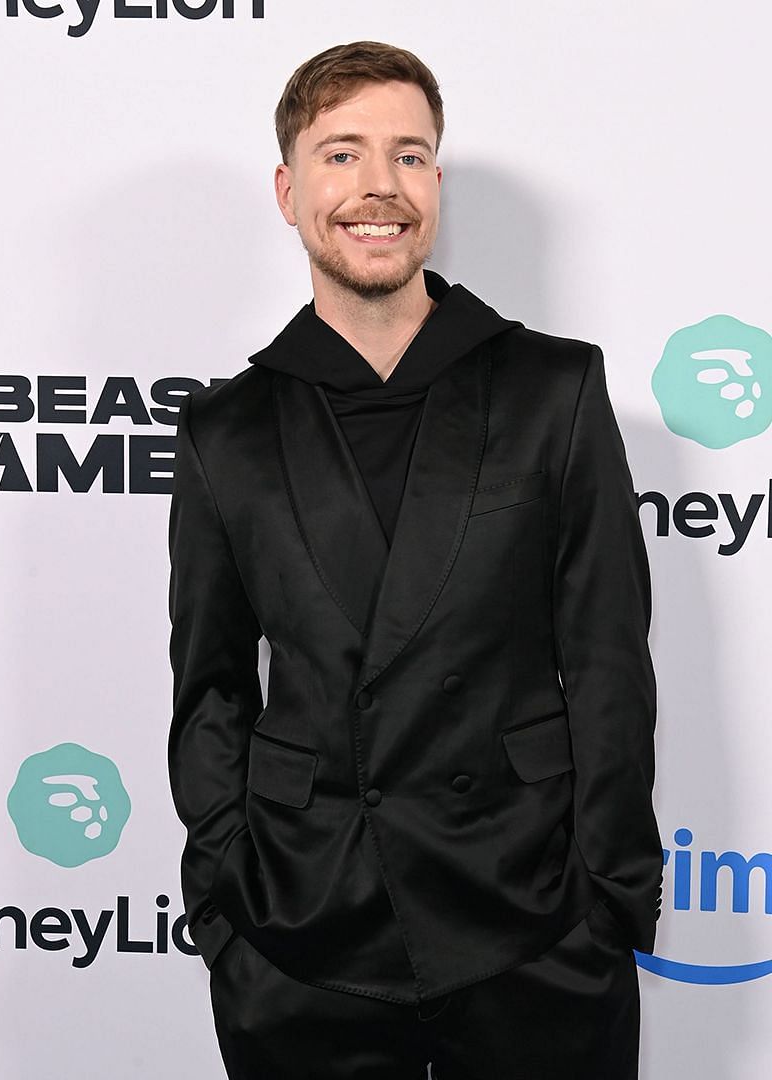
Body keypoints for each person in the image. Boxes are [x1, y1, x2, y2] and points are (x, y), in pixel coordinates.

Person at [166, 42, 658, 1079]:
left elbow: (609, 660)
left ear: (436, 181)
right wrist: (227, 909)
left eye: (411, 155)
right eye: (342, 155)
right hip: (303, 933)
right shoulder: (226, 430)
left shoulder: (552, 389)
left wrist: (607, 904)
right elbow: (209, 692)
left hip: (534, 925)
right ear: (289, 190)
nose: (379, 187)